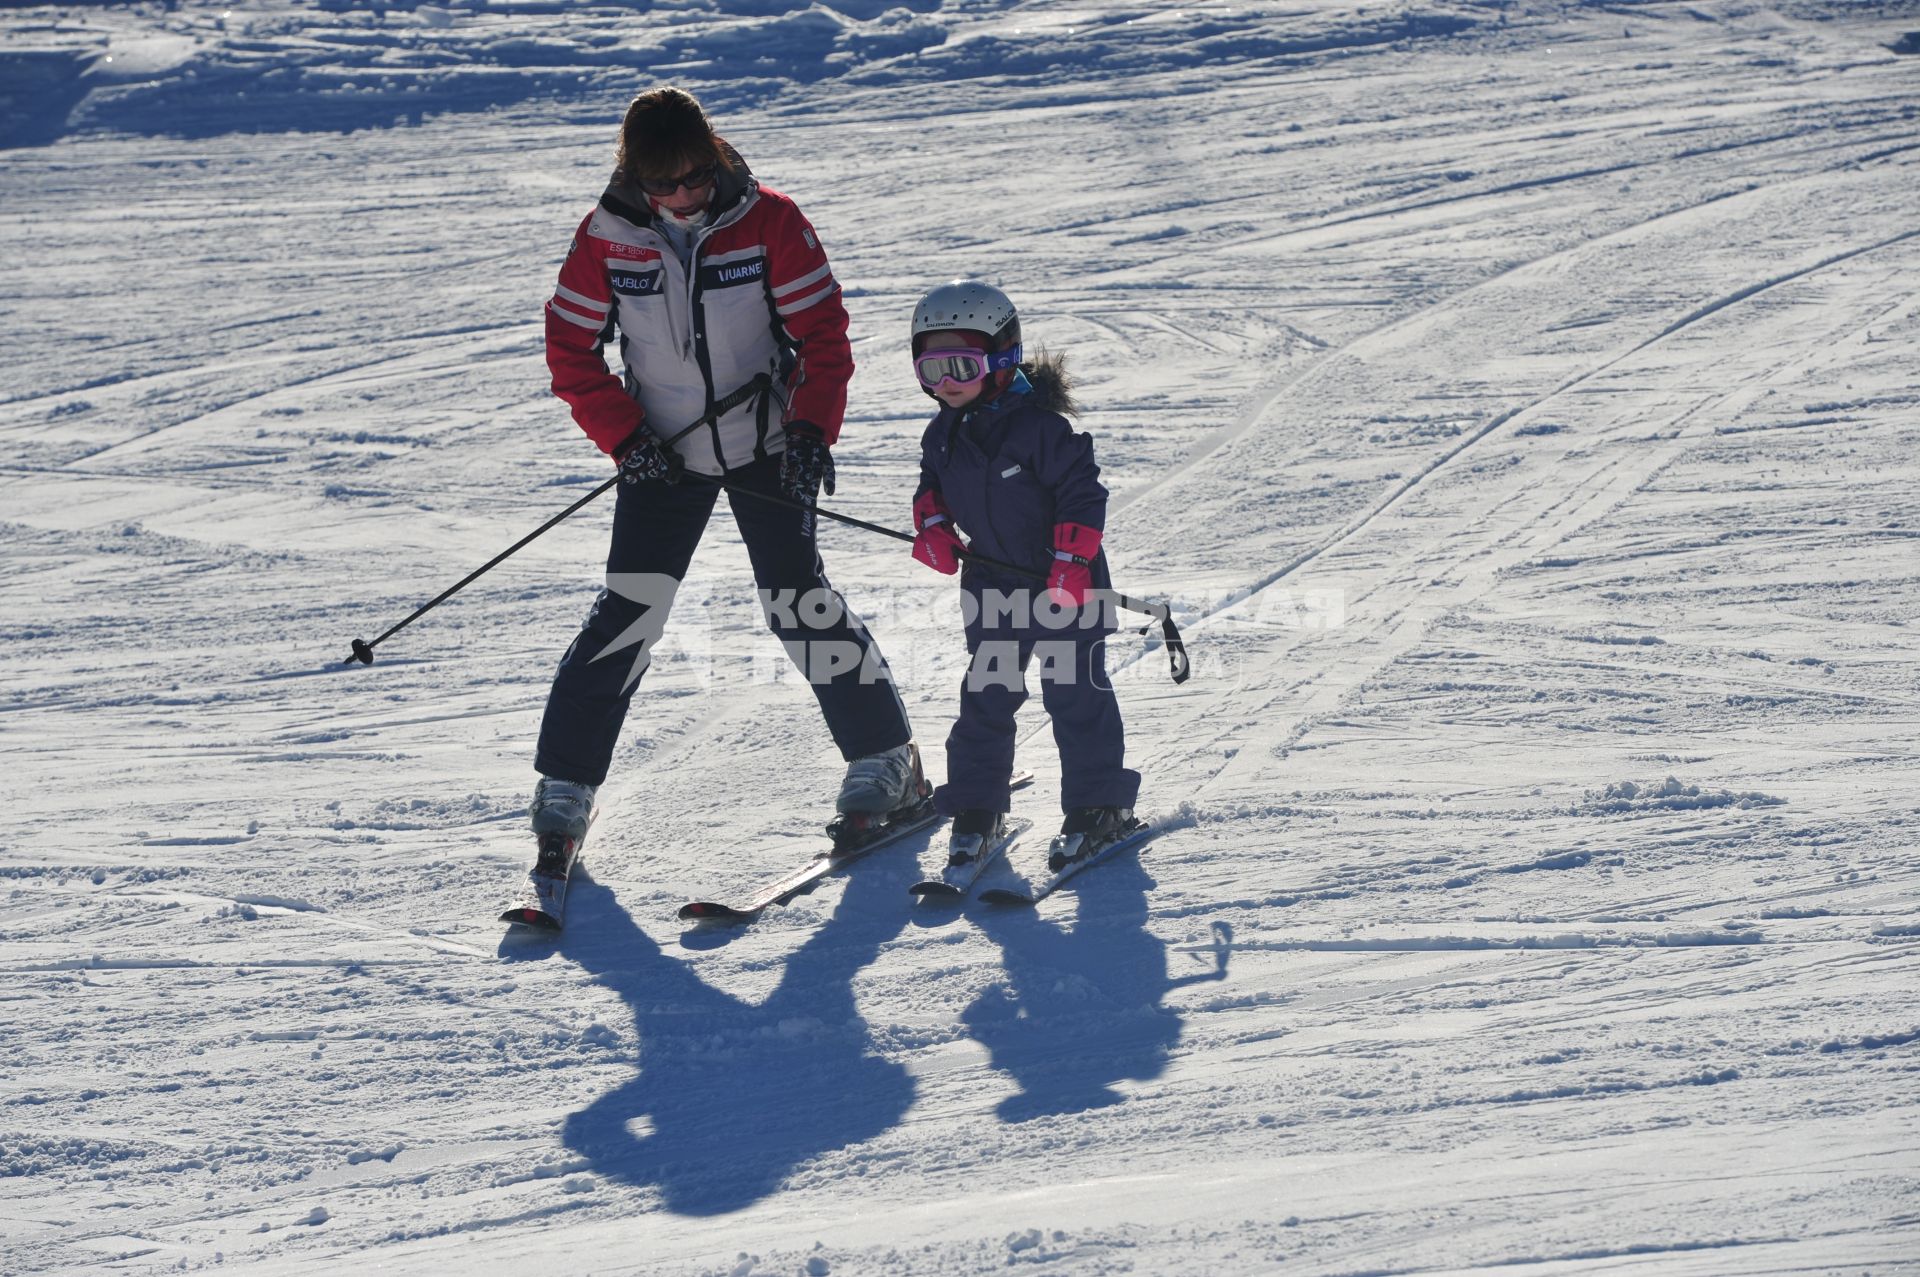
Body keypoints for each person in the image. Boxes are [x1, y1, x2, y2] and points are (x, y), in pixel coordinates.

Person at [528, 86, 919, 863]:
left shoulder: (770, 219)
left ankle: (887, 758)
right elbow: (571, 353)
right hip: (662, 454)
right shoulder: (606, 238)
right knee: (630, 610)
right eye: (662, 184)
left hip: (763, 442)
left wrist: (810, 431)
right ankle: (565, 785)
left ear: (715, 157)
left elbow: (822, 336)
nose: (682, 197)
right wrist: (625, 437)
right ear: (634, 177)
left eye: (695, 177)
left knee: (796, 600)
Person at [906, 280, 1141, 858]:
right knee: (986, 694)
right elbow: (930, 487)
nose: (947, 384)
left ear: (1003, 358)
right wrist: (932, 525)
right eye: (932, 371)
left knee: (1073, 693)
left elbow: (1083, 495)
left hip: (1065, 583)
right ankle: (977, 807)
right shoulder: (941, 435)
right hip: (991, 584)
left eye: (960, 365)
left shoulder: (1042, 430)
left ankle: (1098, 803)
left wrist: (1072, 562)